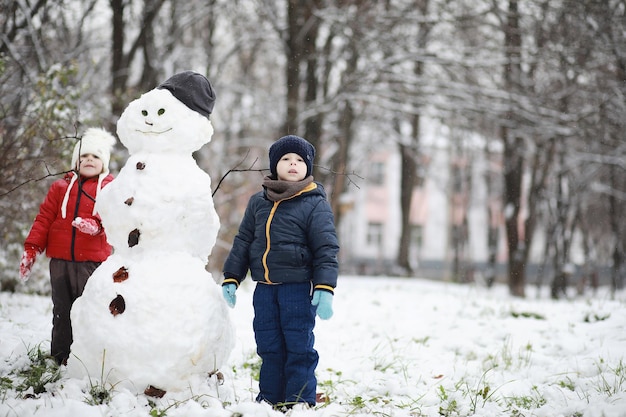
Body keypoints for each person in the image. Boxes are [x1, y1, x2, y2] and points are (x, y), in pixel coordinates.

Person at [222, 135, 339, 410]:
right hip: (264, 289)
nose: (293, 164)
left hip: (297, 289)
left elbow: (326, 248)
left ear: (308, 167)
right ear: (275, 165)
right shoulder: (258, 202)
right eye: (286, 159)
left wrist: (324, 287)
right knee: (269, 345)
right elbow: (243, 241)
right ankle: (270, 399)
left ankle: (299, 400)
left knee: (298, 345)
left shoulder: (314, 203)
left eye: (299, 160)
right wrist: (231, 276)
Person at [19, 128, 116, 366]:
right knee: (62, 311)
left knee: (88, 311)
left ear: (104, 161)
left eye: (95, 156)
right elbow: (43, 218)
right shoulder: (60, 188)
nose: (88, 160)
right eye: (83, 157)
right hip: (60, 262)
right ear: (76, 161)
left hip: (91, 263)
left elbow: (115, 217)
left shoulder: (110, 189)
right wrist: (32, 249)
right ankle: (60, 357)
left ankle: (87, 360)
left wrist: (97, 226)